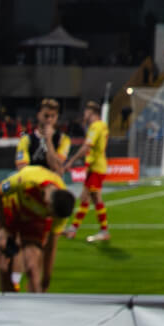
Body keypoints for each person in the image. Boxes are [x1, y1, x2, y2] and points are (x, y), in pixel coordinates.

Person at [14, 98, 71, 289]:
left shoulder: (62, 139)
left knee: (50, 245)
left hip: (52, 198)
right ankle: (17, 284)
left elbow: (58, 168)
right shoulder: (26, 140)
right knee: (24, 243)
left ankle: (42, 286)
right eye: (46, 115)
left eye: (52, 116)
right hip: (31, 197)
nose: (49, 120)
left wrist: (48, 141)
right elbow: (22, 168)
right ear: (38, 115)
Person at [0, 164, 75, 294]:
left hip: (32, 218)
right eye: (50, 214)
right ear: (48, 204)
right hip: (10, 208)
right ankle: (9, 303)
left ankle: (35, 303)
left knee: (33, 268)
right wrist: (2, 229)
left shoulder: (61, 208)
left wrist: (46, 280)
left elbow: (51, 246)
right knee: (4, 267)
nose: (50, 218)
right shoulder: (26, 179)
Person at [65, 100, 111, 242]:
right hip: (96, 166)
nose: (84, 114)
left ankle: (102, 231)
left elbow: (86, 146)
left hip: (96, 167)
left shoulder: (95, 127)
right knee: (88, 198)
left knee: (92, 198)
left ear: (91, 112)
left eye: (86, 111)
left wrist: (72, 160)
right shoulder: (102, 125)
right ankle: (74, 229)